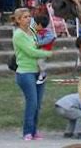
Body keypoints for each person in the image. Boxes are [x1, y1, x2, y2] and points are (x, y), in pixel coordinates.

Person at [12, 8, 53, 141]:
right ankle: (27, 131)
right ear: (18, 20)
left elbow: (42, 43)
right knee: (32, 102)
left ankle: (34, 131)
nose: (28, 19)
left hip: (38, 71)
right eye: (25, 17)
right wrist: (48, 54)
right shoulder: (18, 35)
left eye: (29, 16)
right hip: (25, 72)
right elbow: (31, 52)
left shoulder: (33, 31)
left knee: (38, 104)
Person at [32, 14, 55, 85]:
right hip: (39, 49)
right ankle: (37, 73)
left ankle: (43, 74)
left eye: (35, 24)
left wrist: (39, 43)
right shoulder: (37, 31)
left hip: (45, 50)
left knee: (40, 61)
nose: (33, 25)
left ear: (40, 25)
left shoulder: (47, 32)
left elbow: (50, 38)